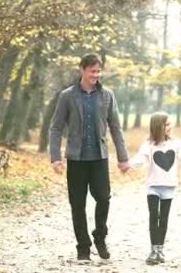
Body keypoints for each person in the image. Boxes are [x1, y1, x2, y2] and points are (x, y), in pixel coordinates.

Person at [49, 53, 130, 261]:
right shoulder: (67, 96)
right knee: (77, 204)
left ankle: (100, 237)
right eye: (92, 71)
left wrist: (123, 157)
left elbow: (115, 127)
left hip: (99, 158)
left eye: (98, 71)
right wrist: (55, 157)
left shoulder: (107, 95)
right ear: (82, 70)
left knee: (103, 198)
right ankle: (83, 247)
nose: (96, 75)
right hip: (76, 159)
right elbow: (56, 127)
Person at [127, 111, 181, 265]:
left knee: (163, 219)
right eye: (167, 124)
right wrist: (127, 165)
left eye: (170, 124)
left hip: (168, 187)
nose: (171, 127)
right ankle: (153, 250)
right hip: (153, 186)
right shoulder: (148, 145)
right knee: (153, 217)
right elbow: (139, 159)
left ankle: (160, 250)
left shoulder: (176, 144)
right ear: (158, 126)